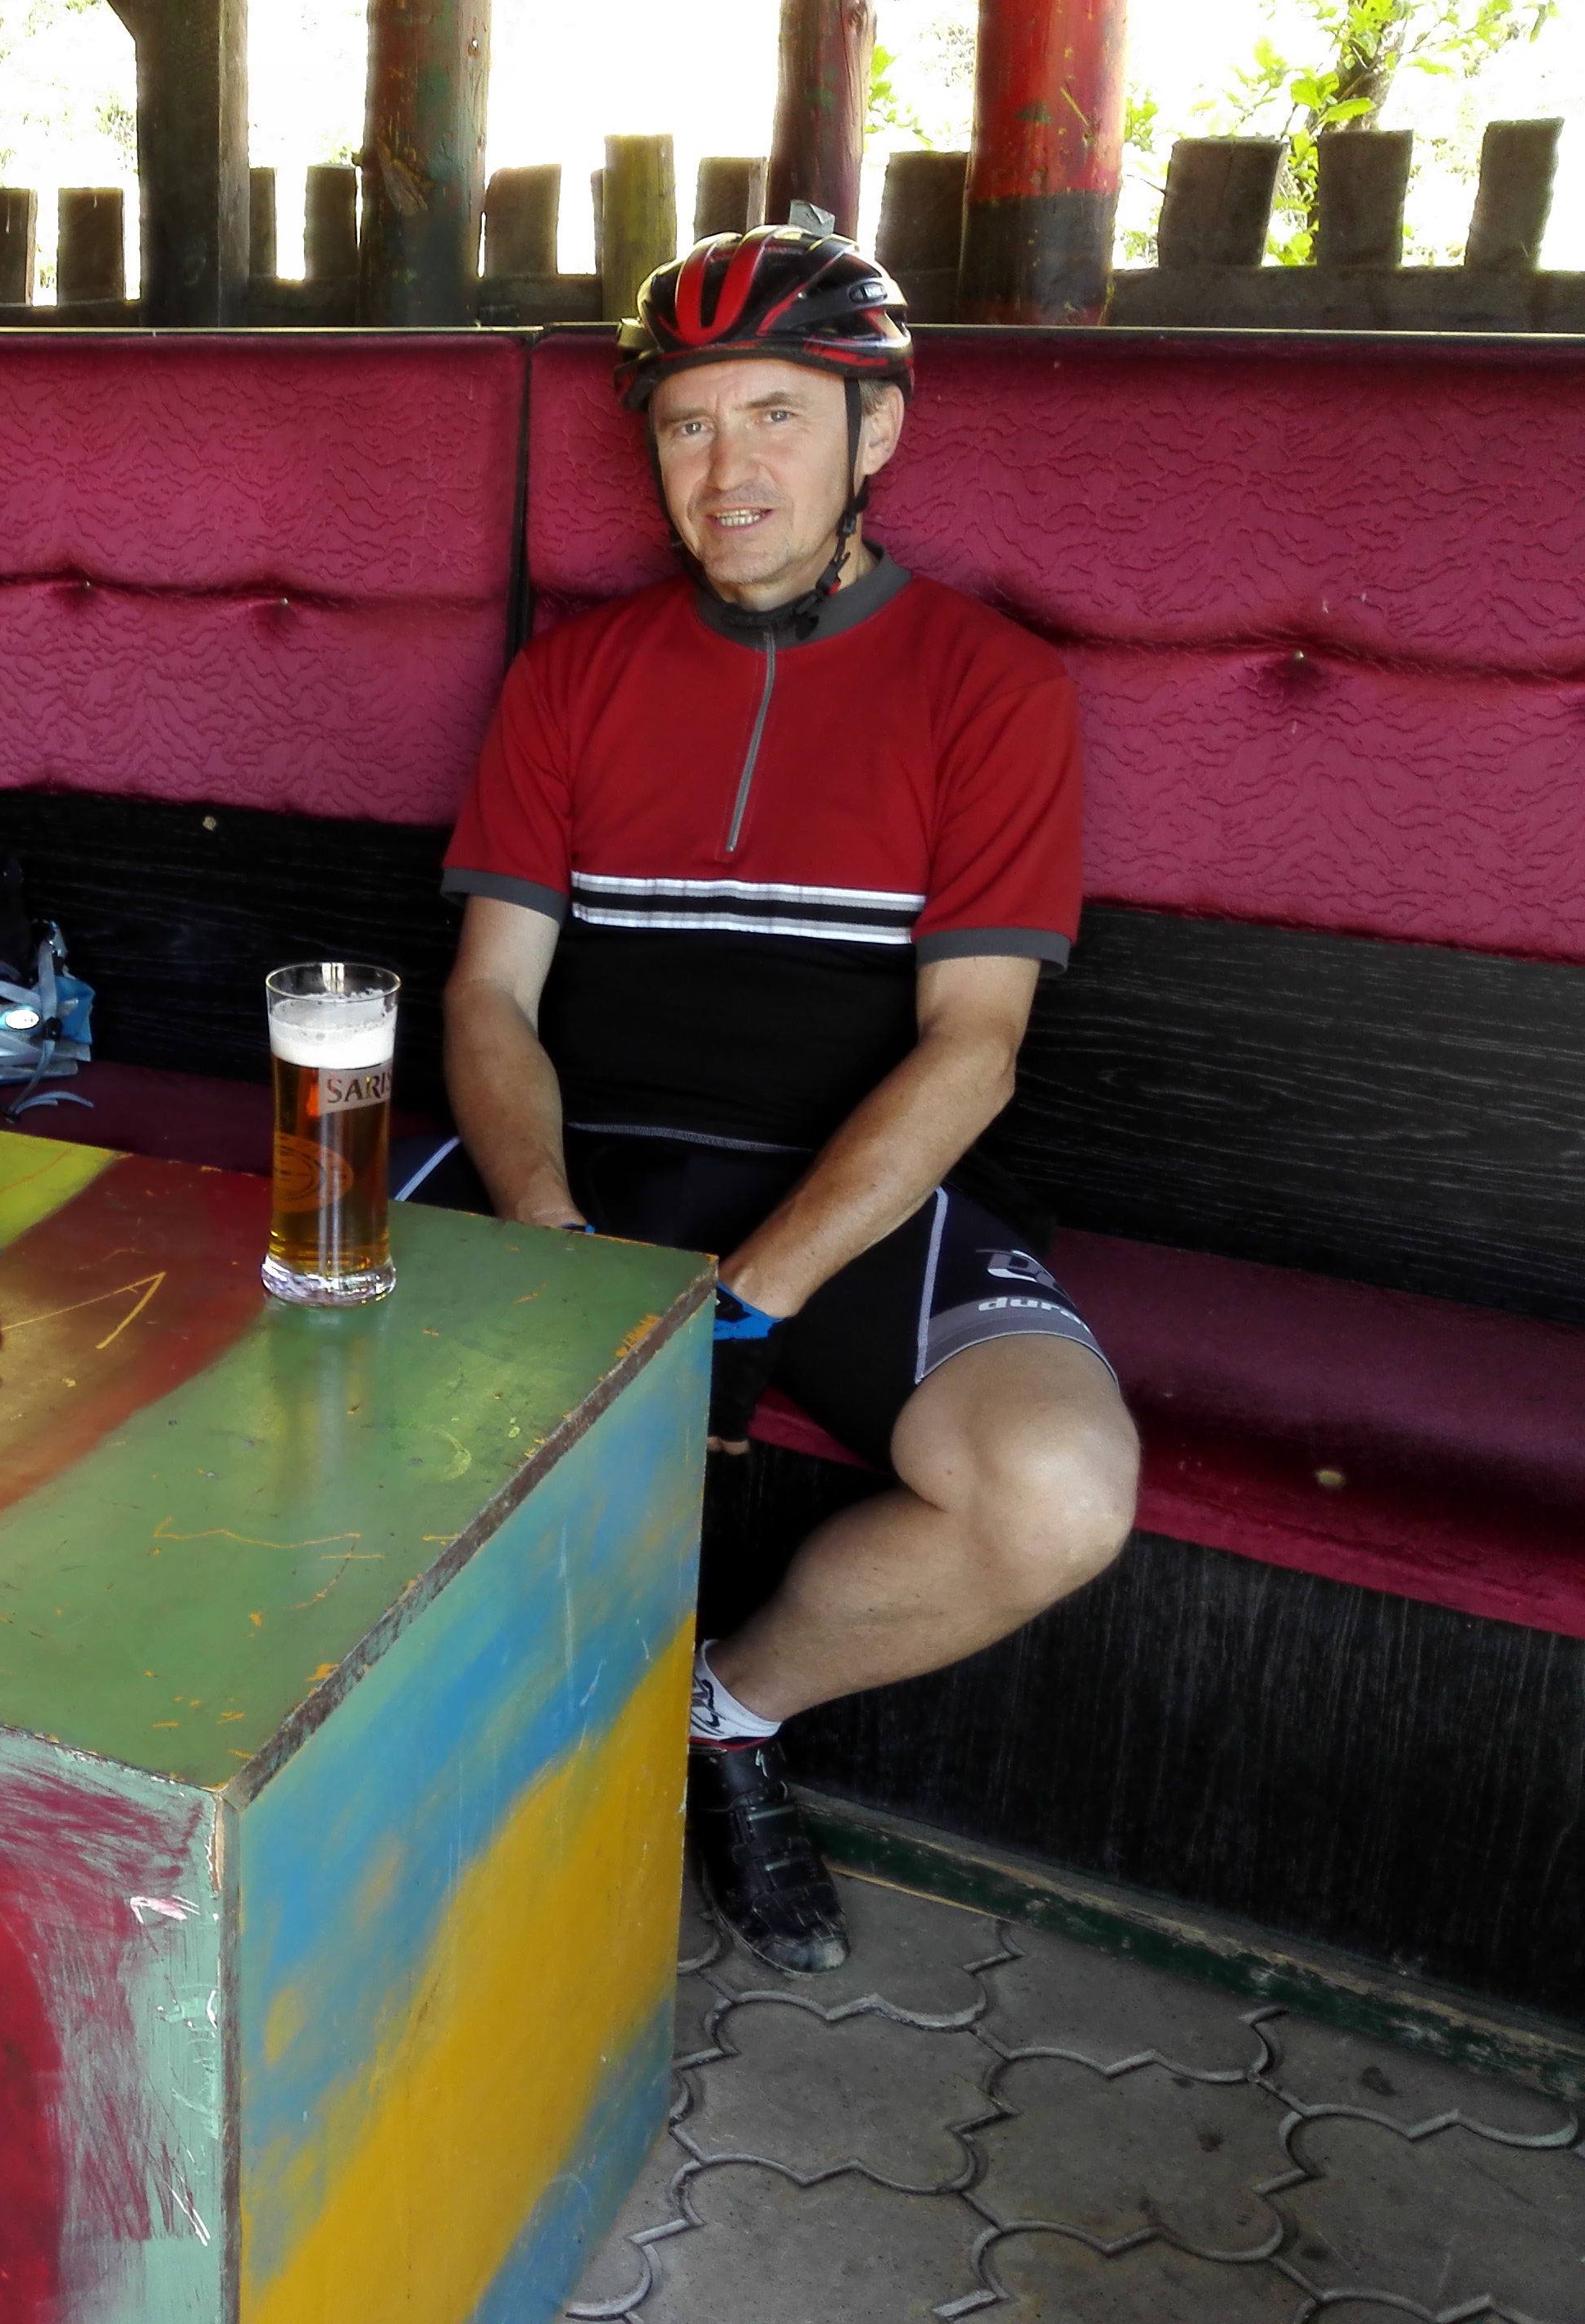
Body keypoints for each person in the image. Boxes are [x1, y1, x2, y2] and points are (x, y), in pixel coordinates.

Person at [429, 222, 1138, 1973]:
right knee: (294, 1403)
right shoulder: (569, 677)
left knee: (1056, 1490)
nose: (726, 469)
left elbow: (973, 1047)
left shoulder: (991, 685)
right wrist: (548, 1243)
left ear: (873, 430)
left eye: (775, 416)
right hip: (581, 1170)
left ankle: (726, 1712)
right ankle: (419, 1795)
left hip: (849, 1189)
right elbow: (490, 996)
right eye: (688, 424)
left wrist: (748, 1305)